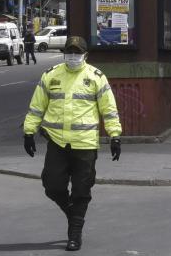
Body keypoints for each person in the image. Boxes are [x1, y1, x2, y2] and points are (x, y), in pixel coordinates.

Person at [22, 36, 122, 251]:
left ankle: (75, 233)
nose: (73, 57)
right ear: (65, 52)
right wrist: (28, 132)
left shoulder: (96, 77)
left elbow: (109, 109)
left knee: (81, 190)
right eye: (70, 52)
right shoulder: (51, 75)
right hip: (57, 143)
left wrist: (115, 136)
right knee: (52, 186)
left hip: (85, 144)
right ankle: (72, 214)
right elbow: (37, 106)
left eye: (77, 53)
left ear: (85, 55)